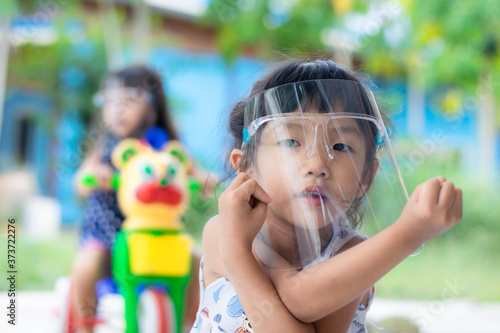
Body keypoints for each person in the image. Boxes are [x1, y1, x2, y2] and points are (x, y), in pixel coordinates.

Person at [190, 59, 462, 333]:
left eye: (341, 145)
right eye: (291, 142)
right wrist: (409, 232)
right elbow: (296, 296)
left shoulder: (350, 253)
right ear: (244, 165)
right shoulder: (223, 232)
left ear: (366, 177)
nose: (317, 164)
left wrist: (411, 231)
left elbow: (299, 297)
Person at [71, 65, 206, 333]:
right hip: (107, 236)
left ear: (152, 107)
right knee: (87, 265)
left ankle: (189, 325)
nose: (117, 109)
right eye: (110, 101)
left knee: (193, 259)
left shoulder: (167, 147)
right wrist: (92, 176)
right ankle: (85, 326)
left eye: (129, 100)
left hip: (158, 236)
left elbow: (193, 172)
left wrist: (204, 180)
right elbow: (80, 181)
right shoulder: (104, 145)